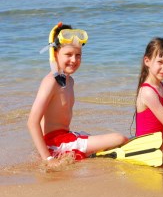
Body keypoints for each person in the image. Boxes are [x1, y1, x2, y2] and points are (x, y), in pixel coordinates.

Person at [27, 22, 128, 168]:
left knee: (96, 137)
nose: (74, 60)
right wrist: (48, 159)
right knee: (119, 138)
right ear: (55, 53)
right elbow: (32, 122)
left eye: (78, 55)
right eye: (68, 54)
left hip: (65, 137)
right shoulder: (51, 82)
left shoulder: (70, 81)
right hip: (55, 144)